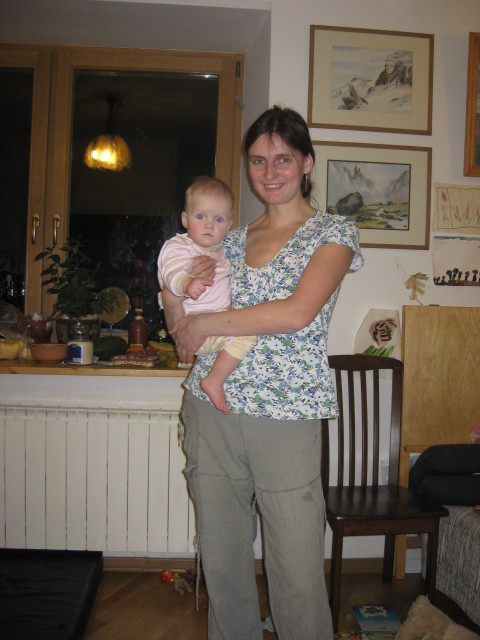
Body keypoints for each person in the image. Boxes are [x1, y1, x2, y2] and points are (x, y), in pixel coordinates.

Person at [162, 105, 364, 640]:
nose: (269, 172)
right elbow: (178, 303)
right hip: (211, 409)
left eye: (283, 159)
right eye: (257, 160)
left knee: (296, 569)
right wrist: (176, 310)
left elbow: (296, 313)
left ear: (307, 163)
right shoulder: (225, 236)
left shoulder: (332, 233)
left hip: (286, 414)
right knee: (224, 560)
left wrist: (204, 323)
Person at [157, 176, 256, 414]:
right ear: (185, 219)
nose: (209, 225)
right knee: (246, 336)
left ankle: (214, 378)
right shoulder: (179, 246)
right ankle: (214, 380)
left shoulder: (222, 251)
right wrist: (186, 283)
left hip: (215, 321)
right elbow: (170, 273)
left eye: (218, 219)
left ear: (229, 225)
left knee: (244, 334)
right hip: (193, 323)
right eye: (200, 216)